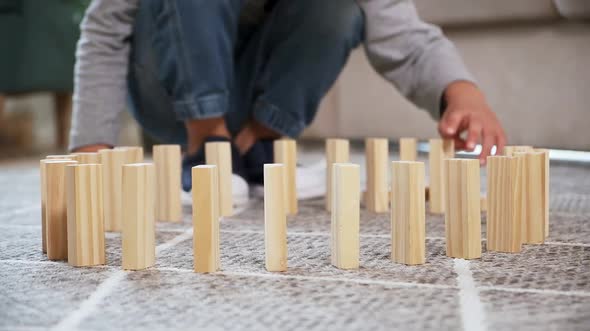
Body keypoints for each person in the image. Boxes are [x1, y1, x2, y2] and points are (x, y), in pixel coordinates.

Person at [69, 0, 506, 203]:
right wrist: (92, 147)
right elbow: (106, 28)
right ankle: (206, 147)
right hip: (172, 92)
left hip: (256, 95)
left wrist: (461, 92)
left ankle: (258, 147)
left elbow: (406, 39)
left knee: (344, 9)